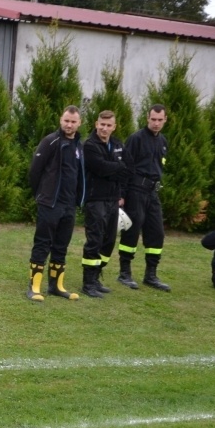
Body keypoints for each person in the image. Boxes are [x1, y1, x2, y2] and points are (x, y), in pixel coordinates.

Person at [26, 105, 86, 302]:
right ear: (61, 120)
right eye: (66, 121)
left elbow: (79, 175)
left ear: (79, 123)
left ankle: (56, 286)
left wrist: (78, 199)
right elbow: (35, 171)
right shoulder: (50, 141)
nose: (69, 125)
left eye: (73, 122)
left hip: (69, 205)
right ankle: (34, 287)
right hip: (50, 203)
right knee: (42, 243)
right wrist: (42, 195)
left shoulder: (79, 146)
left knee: (61, 246)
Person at [117, 104, 171, 291]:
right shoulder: (136, 138)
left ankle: (151, 275)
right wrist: (121, 194)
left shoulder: (163, 141)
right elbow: (125, 167)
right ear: (147, 118)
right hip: (135, 190)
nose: (156, 123)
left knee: (157, 233)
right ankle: (124, 273)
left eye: (160, 120)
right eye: (153, 119)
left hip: (152, 193)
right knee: (131, 231)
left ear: (165, 120)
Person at [80, 110, 130, 298]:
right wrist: (118, 167)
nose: (104, 128)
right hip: (95, 200)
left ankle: (97, 276)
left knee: (109, 240)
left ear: (114, 127)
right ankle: (88, 282)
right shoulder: (89, 145)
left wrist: (115, 171)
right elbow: (99, 168)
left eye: (109, 125)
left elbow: (129, 168)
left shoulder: (117, 144)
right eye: (102, 124)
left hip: (113, 200)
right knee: (95, 239)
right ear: (96, 124)